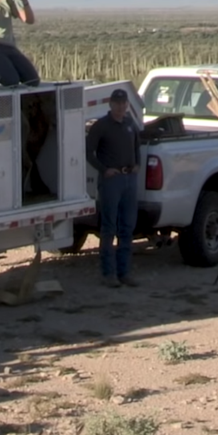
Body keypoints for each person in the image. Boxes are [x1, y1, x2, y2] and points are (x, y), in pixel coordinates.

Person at [85, 89, 140, 288]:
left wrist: (137, 164)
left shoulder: (129, 123)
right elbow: (88, 152)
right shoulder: (101, 126)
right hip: (111, 181)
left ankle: (124, 272)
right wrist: (103, 169)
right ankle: (108, 273)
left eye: (123, 103)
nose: (120, 106)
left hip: (129, 179)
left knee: (127, 227)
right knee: (109, 228)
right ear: (110, 105)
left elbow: (137, 145)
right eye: (117, 103)